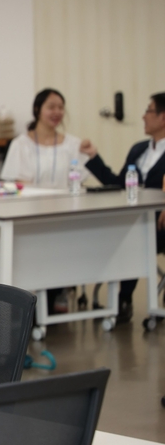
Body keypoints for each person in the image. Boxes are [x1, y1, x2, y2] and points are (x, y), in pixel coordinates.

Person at [80, 92, 165, 323]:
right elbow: (119, 184)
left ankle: (122, 300)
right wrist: (94, 157)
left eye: (149, 110)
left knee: (133, 237)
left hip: (159, 224)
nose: (143, 116)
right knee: (118, 232)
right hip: (135, 221)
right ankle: (118, 302)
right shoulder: (139, 149)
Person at [0, 88, 90, 189]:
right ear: (37, 109)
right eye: (51, 107)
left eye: (61, 108)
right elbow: (21, 186)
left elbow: (77, 184)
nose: (57, 112)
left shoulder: (73, 144)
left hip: (66, 202)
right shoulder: (20, 144)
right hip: (31, 203)